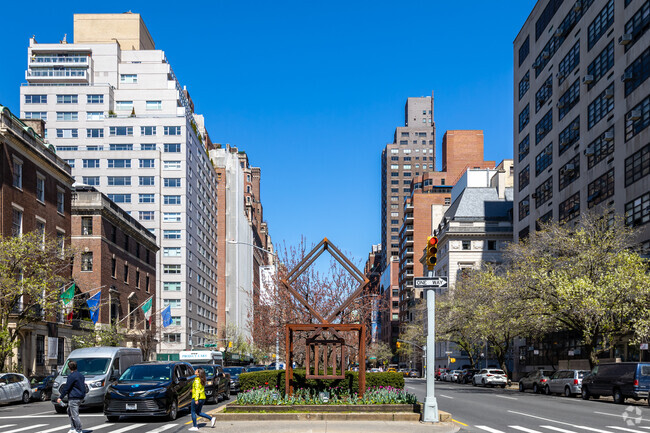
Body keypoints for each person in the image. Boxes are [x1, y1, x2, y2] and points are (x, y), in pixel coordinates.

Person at [57, 361, 86, 433]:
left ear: (69, 368)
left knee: (74, 415)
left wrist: (60, 397)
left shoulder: (71, 376)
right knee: (69, 411)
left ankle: (78, 429)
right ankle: (73, 428)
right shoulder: (81, 376)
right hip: (80, 397)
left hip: (74, 397)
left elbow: (67, 387)